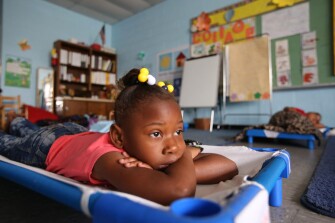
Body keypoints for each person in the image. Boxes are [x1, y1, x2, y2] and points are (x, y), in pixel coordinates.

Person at [0, 68, 238, 205]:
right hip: (46, 147)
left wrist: (174, 165)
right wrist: (185, 155)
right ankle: (14, 120)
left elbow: (228, 167)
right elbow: (178, 191)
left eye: (178, 131)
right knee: (9, 142)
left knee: (29, 127)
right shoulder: (113, 161)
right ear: (119, 138)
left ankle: (17, 120)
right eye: (156, 133)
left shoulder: (155, 149)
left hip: (77, 135)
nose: (173, 146)